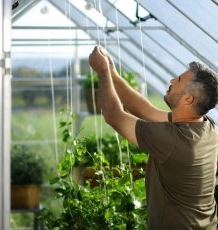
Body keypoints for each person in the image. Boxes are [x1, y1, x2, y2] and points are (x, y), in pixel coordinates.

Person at [89, 45, 218, 230]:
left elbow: (113, 115)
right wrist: (112, 74)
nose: (172, 80)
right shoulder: (206, 126)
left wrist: (102, 72)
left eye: (179, 80)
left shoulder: (174, 141)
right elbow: (146, 111)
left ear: (188, 99)